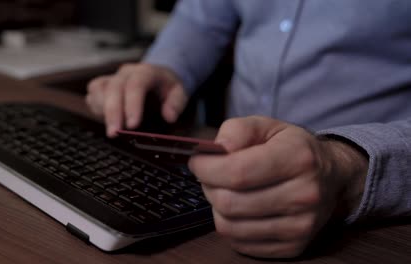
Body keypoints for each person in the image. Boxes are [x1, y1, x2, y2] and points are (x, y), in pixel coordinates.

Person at [85, 0, 411, 258]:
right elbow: (201, 19)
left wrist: (346, 169)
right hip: (215, 198)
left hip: (366, 230)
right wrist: (166, 66)